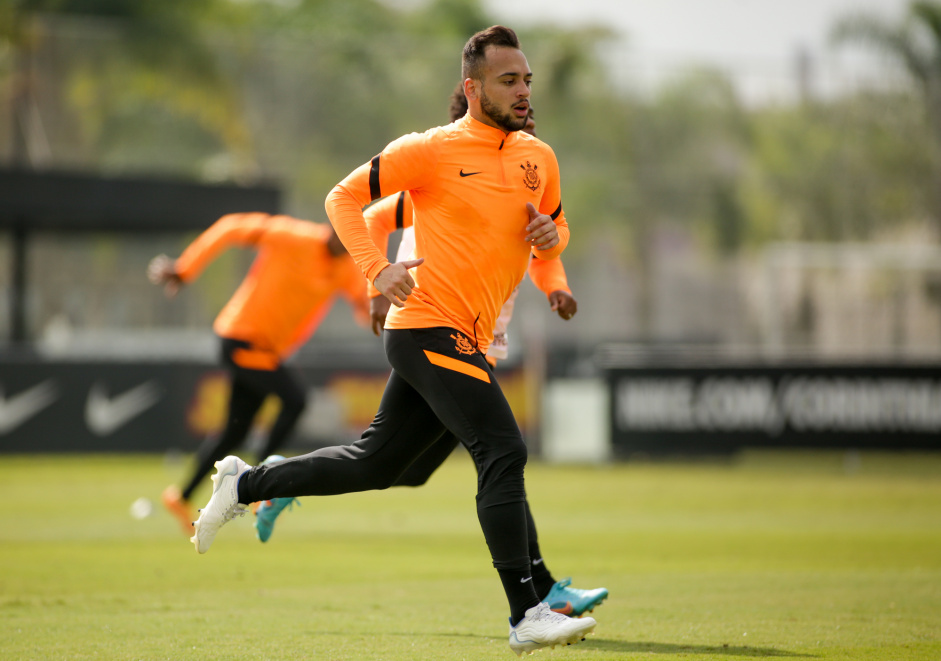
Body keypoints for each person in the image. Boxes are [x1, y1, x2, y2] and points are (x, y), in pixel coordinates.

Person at [191, 26, 598, 656]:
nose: (522, 92)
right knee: (503, 448)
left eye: (526, 80)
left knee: (379, 465)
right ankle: (528, 611)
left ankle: (244, 485)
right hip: (426, 324)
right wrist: (376, 271)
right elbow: (344, 198)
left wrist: (553, 238)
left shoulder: (537, 158)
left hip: (464, 334)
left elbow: (554, 226)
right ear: (473, 87)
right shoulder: (431, 150)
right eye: (507, 80)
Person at [258, 90, 605, 619]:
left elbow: (545, 243)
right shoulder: (436, 174)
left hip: (479, 335)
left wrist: (555, 280)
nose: (524, 117)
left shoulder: (523, 175)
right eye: (514, 105)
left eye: (528, 108)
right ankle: (540, 592)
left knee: (401, 466)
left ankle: (279, 479)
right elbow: (368, 215)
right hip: (434, 327)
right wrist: (376, 284)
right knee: (499, 451)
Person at [148, 213, 369, 536]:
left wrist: (386, 308)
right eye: (344, 232)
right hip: (240, 338)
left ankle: (180, 497)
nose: (347, 243)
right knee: (296, 399)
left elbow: (365, 302)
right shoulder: (294, 236)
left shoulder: (345, 267)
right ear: (333, 225)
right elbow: (230, 228)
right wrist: (185, 268)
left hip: (265, 352)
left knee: (235, 432)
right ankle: (262, 484)